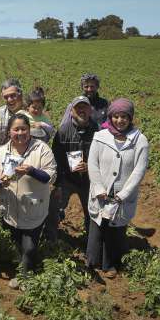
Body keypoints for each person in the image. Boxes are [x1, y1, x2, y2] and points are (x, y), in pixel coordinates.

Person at [0, 113, 56, 289]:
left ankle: (24, 276)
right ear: (9, 131)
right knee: (16, 241)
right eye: (16, 129)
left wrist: (31, 170)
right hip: (9, 208)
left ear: (29, 130)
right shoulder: (0, 152)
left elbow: (51, 176)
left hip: (33, 207)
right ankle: (23, 265)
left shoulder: (42, 149)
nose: (20, 132)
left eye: (23, 129)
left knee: (30, 245)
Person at [86, 98, 149, 278]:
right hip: (101, 193)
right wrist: (98, 187)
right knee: (97, 225)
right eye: (116, 116)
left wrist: (124, 193)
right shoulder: (100, 136)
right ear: (110, 116)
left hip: (121, 196)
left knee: (115, 229)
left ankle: (110, 264)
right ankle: (92, 260)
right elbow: (93, 164)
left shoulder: (140, 140)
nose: (120, 120)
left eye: (124, 117)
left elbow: (139, 170)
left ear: (130, 118)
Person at [51, 96, 100, 241]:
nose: (81, 110)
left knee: (92, 213)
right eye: (78, 108)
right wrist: (58, 183)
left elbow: (103, 158)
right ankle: (52, 238)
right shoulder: (63, 131)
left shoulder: (98, 131)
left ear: (90, 110)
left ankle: (91, 243)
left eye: (84, 107)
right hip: (67, 179)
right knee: (54, 208)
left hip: (89, 181)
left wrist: (90, 167)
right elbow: (56, 158)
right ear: (71, 111)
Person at [0, 78, 26, 152]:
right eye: (6, 97)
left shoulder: (30, 112)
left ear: (21, 94)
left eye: (13, 95)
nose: (9, 99)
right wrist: (2, 152)